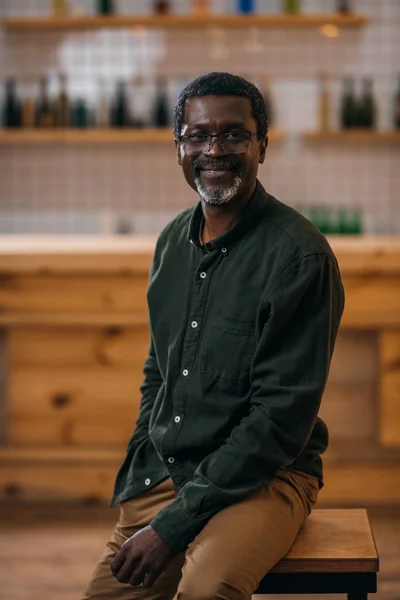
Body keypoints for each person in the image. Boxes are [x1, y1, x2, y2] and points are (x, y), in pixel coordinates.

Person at [81, 71, 345, 600]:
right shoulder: (171, 243)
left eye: (234, 135)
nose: (214, 150)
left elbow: (278, 420)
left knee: (207, 588)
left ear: (262, 146)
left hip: (268, 476)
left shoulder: (300, 256)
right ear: (178, 146)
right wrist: (143, 452)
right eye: (198, 135)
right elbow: (159, 369)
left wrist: (174, 524)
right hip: (172, 467)